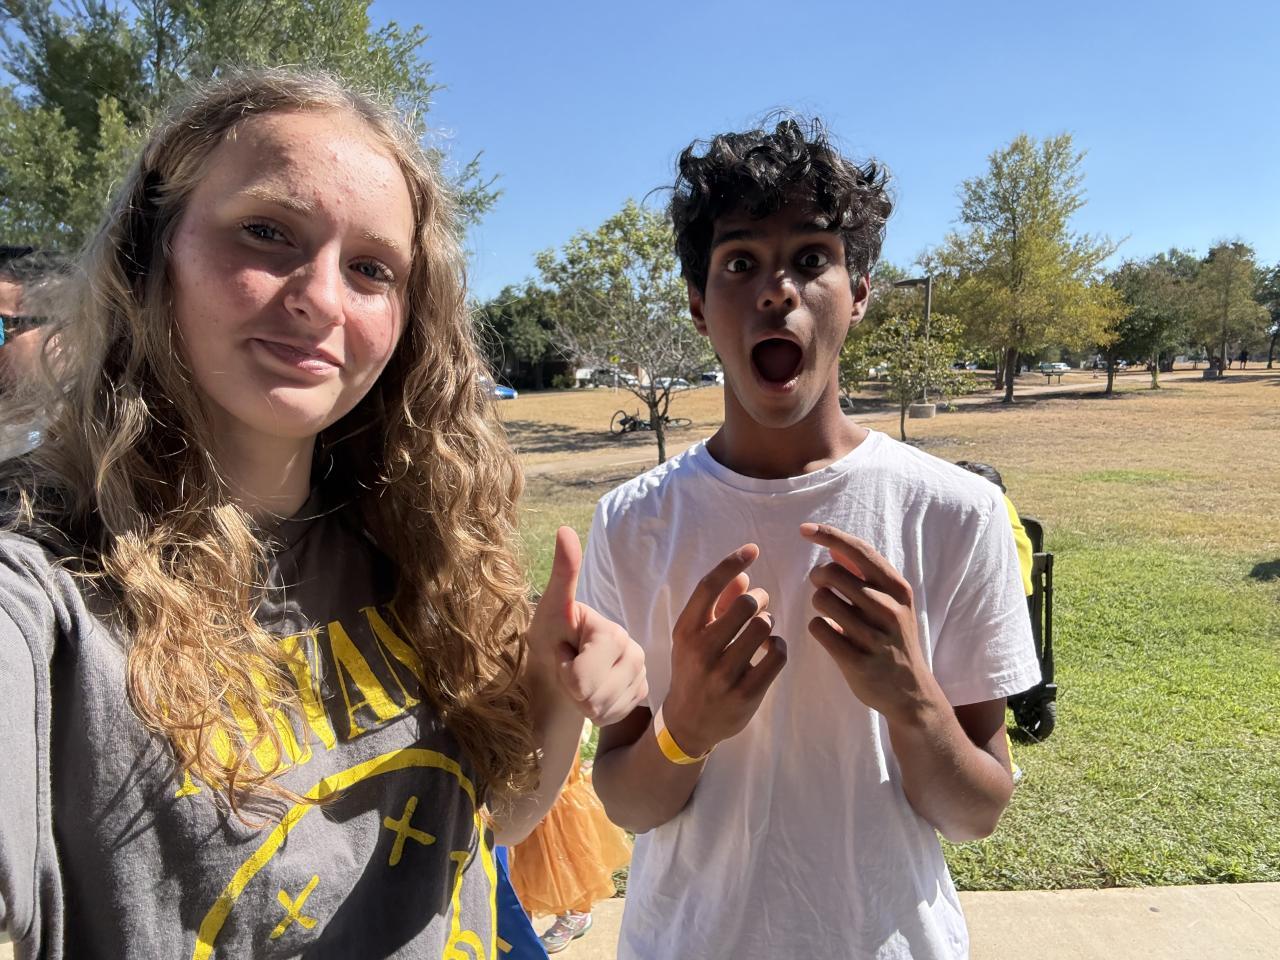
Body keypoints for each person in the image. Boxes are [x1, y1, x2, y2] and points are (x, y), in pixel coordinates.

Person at [0, 69, 648, 960]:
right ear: (154, 252)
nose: (322, 297)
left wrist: (554, 694)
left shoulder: (417, 545)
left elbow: (483, 827)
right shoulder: (45, 578)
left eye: (371, 269)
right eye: (267, 233)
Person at [581, 118, 1039, 959]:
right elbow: (626, 801)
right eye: (739, 262)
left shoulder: (956, 511)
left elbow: (976, 812)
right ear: (697, 305)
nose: (776, 290)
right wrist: (686, 726)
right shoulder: (632, 523)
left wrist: (913, 700)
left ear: (858, 293)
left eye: (811, 257)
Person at [510, 723, 631, 954]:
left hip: (551, 730)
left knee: (558, 833)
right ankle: (519, 919)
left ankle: (577, 911)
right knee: (518, 839)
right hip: (510, 730)